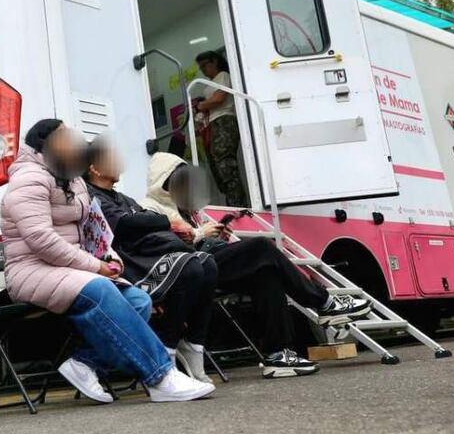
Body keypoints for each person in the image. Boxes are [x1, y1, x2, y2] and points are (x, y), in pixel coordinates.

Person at [0, 119, 214, 403]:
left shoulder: (74, 180)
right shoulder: (28, 179)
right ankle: (161, 375)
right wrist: (95, 266)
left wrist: (108, 256)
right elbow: (41, 241)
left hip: (70, 267)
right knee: (101, 290)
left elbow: (95, 228)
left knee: (139, 300)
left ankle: (85, 362)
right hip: (32, 269)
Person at [140, 152, 373, 378]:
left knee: (266, 272)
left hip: (207, 263)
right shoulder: (150, 207)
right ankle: (324, 302)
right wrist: (201, 234)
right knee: (261, 247)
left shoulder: (187, 210)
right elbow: (164, 245)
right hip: (185, 270)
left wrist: (213, 238)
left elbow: (197, 240)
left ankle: (278, 355)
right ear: (164, 181)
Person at [84, 137, 217, 383]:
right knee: (190, 268)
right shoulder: (91, 196)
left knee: (207, 264)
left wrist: (179, 229)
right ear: (94, 167)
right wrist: (170, 223)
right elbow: (123, 225)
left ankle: (193, 344)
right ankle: (167, 346)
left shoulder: (121, 197)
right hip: (130, 263)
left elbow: (144, 218)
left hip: (151, 255)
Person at [194, 50, 246, 206]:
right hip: (212, 125)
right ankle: (232, 202)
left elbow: (219, 99)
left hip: (224, 122)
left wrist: (201, 105)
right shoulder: (210, 83)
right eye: (200, 67)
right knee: (217, 167)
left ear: (214, 62)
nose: (203, 69)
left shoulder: (223, 76)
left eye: (205, 65)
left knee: (226, 165)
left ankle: (238, 205)